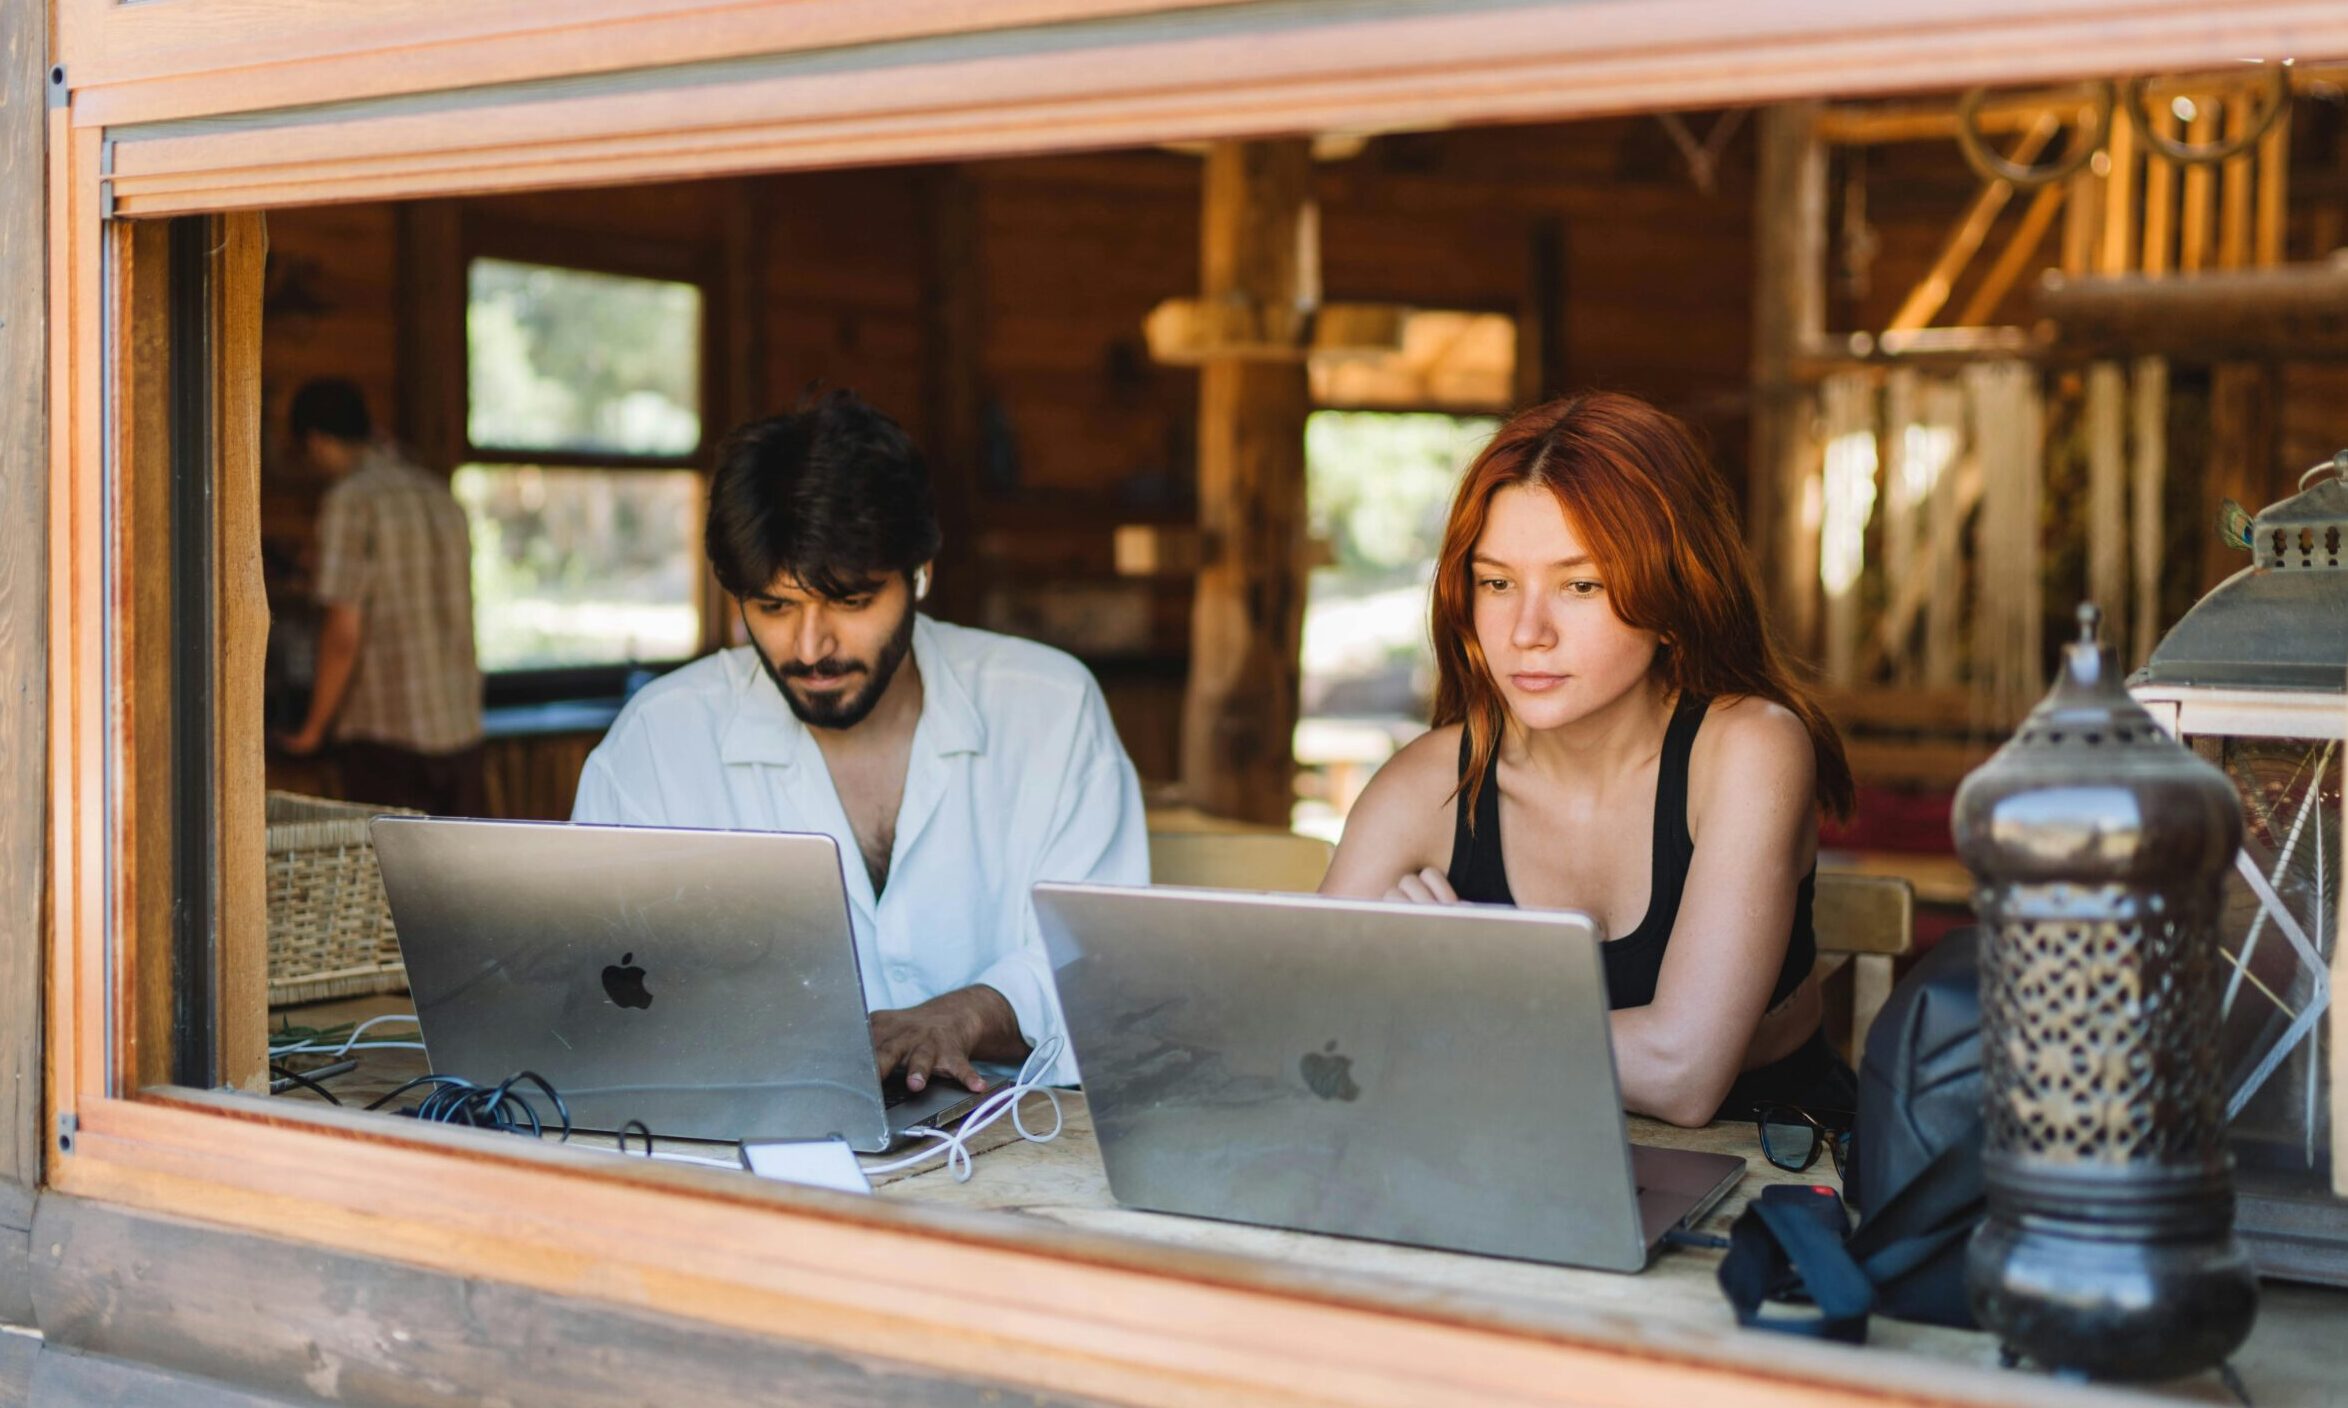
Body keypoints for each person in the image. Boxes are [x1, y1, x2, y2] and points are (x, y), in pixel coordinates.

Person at [571, 390, 1146, 1093]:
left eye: (851, 602)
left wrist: (965, 1014)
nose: (810, 647)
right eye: (774, 607)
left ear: (920, 572)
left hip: (1016, 1139)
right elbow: (600, 986)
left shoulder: (1051, 710)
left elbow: (1102, 963)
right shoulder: (659, 743)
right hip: (741, 1145)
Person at [1320, 392, 1856, 1128]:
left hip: (1763, 1189)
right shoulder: (1423, 787)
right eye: (1497, 582)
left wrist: (1458, 988)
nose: (1527, 631)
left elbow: (1681, 1074)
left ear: (1671, 597)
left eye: (1582, 584)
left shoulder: (1749, 750)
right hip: (1511, 1164)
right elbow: (1311, 1035)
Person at [277, 379, 487, 817]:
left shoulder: (350, 501)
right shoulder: (437, 492)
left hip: (389, 736)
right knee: (454, 883)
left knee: (385, 884)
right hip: (460, 730)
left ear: (315, 440)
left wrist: (312, 730)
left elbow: (343, 631)